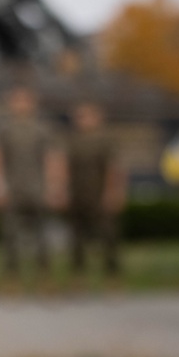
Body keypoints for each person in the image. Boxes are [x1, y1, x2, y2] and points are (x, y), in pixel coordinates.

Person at [0, 86, 65, 281]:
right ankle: (11, 277)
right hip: (11, 189)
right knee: (9, 235)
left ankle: (45, 276)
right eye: (16, 100)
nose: (21, 105)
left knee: (42, 235)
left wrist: (55, 188)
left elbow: (53, 158)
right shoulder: (2, 129)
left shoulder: (43, 129)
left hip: (38, 188)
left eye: (25, 100)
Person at [66, 101, 125, 280]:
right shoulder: (72, 140)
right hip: (78, 193)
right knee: (77, 238)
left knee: (108, 236)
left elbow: (115, 168)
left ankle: (112, 275)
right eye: (80, 116)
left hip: (100, 193)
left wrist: (114, 192)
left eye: (87, 116)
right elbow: (62, 166)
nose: (83, 120)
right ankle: (79, 275)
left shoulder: (106, 139)